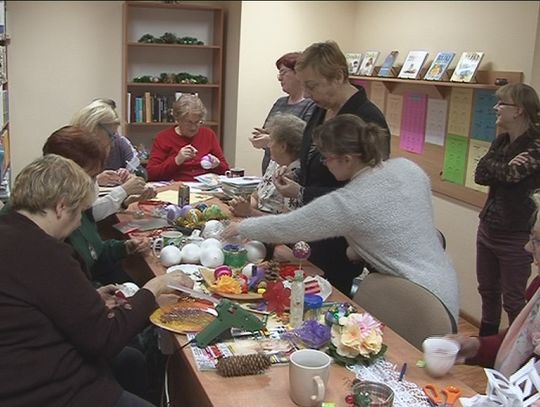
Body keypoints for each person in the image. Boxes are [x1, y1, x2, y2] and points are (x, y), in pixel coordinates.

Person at [223, 114, 459, 324]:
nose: (324, 164)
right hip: (446, 288)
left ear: (347, 159)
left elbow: (287, 227)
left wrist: (241, 226)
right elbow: (400, 222)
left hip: (415, 301)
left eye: (327, 158)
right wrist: (360, 247)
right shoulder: (408, 168)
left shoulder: (350, 201)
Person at [0, 154, 193, 406]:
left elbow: (44, 302)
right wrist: (152, 291)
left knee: (130, 361)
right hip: (43, 387)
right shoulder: (45, 253)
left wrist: (90, 299)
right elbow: (104, 340)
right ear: (60, 207)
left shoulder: (11, 230)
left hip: (24, 365)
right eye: (80, 212)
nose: (81, 221)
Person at [273, 40, 391, 295]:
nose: (307, 93)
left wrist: (302, 193)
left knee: (328, 302)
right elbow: (312, 157)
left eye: (312, 85)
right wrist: (296, 173)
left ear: (338, 76)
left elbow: (363, 193)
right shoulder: (320, 110)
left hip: (340, 240)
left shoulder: (367, 119)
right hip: (313, 227)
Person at [42, 125, 149, 285]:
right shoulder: (52, 223)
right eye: (91, 176)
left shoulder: (76, 204)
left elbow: (93, 251)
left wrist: (124, 247)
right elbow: (68, 287)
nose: (93, 183)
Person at [474, 83, 540, 336]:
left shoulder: (536, 144)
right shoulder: (501, 141)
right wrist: (502, 164)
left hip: (517, 234)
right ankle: (485, 346)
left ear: (519, 110)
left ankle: (516, 354)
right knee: (487, 291)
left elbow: (514, 174)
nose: (495, 108)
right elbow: (480, 173)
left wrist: (498, 166)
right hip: (488, 226)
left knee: (514, 300)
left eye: (502, 103)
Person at [452, 190, 540, 378]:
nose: (527, 247)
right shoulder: (537, 287)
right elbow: (517, 343)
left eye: (537, 241)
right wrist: (474, 347)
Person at [71, 101, 155, 221]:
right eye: (111, 136)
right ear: (93, 129)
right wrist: (123, 191)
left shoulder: (90, 159)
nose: (112, 143)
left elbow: (92, 211)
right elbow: (86, 216)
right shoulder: (74, 162)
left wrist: (124, 202)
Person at [249, 51, 316, 175]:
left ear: (298, 74)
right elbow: (267, 130)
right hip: (269, 171)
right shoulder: (280, 102)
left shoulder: (311, 105)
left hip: (292, 173)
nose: (279, 78)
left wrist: (270, 139)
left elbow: (305, 141)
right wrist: (263, 137)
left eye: (283, 73)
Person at [229, 113, 305, 217]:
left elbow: (287, 223)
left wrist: (250, 212)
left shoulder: (297, 175)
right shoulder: (275, 163)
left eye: (271, 141)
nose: (268, 145)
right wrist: (242, 205)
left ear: (283, 147)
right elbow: (257, 195)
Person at [146, 94, 229, 181]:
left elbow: (226, 171)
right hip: (175, 188)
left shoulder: (208, 135)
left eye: (197, 122)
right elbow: (152, 174)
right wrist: (176, 160)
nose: (193, 127)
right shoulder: (163, 138)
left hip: (205, 189)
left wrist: (217, 165)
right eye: (188, 122)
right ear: (178, 119)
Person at [93, 98, 147, 180]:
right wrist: (96, 180)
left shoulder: (120, 142)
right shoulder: (78, 144)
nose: (112, 144)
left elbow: (141, 173)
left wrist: (130, 175)